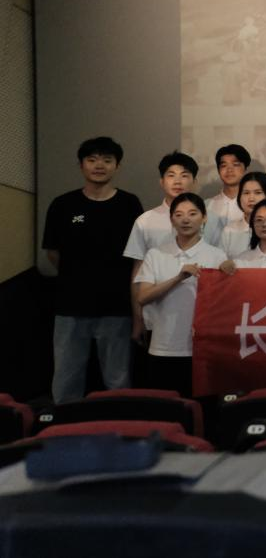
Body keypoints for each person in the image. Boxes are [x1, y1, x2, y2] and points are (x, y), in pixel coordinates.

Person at [42, 136, 144, 403]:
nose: (99, 165)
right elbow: (53, 253)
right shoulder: (62, 205)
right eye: (92, 159)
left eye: (107, 160)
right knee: (66, 378)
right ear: (81, 165)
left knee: (118, 379)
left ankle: (119, 426)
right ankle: (65, 425)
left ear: (117, 166)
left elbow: (137, 258)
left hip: (116, 308)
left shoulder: (129, 204)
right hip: (70, 307)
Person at [134, 193, 227, 397]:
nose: (185, 219)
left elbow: (225, 303)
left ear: (204, 218)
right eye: (179, 214)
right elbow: (143, 297)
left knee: (202, 407)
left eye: (193, 214)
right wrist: (178, 278)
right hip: (163, 346)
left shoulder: (217, 255)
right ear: (172, 220)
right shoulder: (156, 254)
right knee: (166, 406)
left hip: (202, 348)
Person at [217, 171, 266, 259]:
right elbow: (220, 263)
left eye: (258, 192)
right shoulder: (229, 231)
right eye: (246, 193)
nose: (251, 198)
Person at [206, 144, 251, 228]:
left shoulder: (254, 204)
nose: (229, 170)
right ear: (218, 171)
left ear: (246, 170)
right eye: (224, 165)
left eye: (235, 164)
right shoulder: (207, 205)